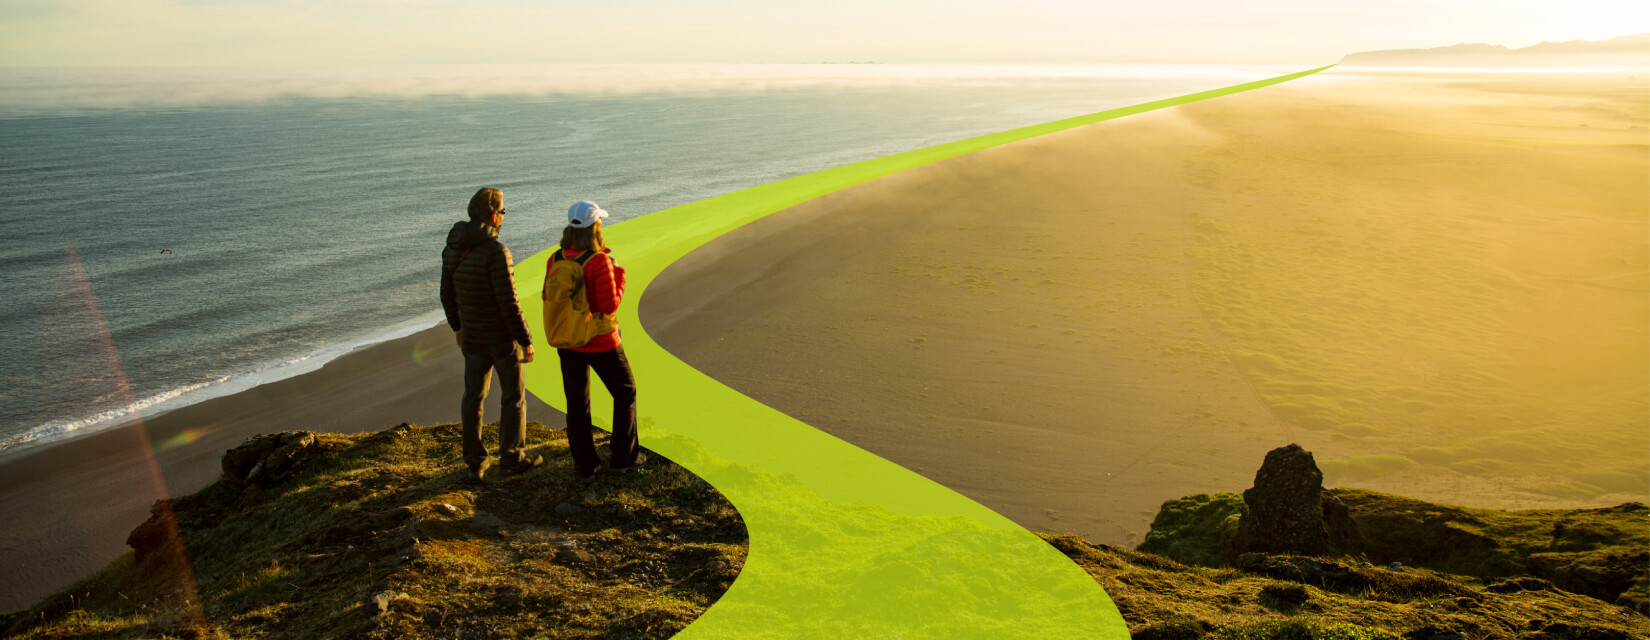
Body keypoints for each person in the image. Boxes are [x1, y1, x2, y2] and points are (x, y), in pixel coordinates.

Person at [440, 187, 542, 481]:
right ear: (493, 214)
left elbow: (446, 294)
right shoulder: (497, 252)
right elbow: (508, 302)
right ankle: (511, 457)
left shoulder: (452, 249)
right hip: (499, 339)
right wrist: (525, 340)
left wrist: (457, 326)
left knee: (473, 396)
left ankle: (475, 461)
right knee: (513, 397)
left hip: (471, 336)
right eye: (503, 212)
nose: (503, 218)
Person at [552, 200, 643, 483]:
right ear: (595, 226)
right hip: (601, 340)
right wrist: (619, 273)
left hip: (569, 340)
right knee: (625, 391)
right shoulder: (599, 261)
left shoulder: (555, 259)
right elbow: (609, 304)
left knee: (577, 403)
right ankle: (623, 457)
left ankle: (585, 466)